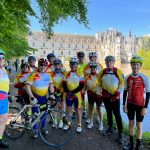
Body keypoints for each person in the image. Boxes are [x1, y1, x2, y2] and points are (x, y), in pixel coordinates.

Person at [123, 56, 150, 150]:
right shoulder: (127, 78)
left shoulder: (145, 78)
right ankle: (131, 144)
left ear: (140, 66)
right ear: (131, 65)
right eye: (133, 65)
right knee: (131, 124)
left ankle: (138, 145)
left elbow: (148, 93)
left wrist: (145, 107)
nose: (135, 67)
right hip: (130, 104)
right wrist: (124, 105)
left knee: (139, 125)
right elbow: (125, 91)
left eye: (137, 65)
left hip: (140, 105)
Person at [98, 55, 124, 144]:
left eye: (111, 62)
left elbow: (122, 84)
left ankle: (120, 133)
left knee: (117, 114)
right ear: (105, 63)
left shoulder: (118, 71)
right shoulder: (102, 72)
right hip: (105, 96)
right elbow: (99, 82)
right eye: (107, 62)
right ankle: (110, 128)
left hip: (115, 96)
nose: (109, 63)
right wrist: (100, 93)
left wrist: (117, 93)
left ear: (113, 62)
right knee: (109, 113)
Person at [26, 58, 54, 138]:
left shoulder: (48, 75)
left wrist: (52, 94)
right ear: (38, 65)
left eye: (45, 65)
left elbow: (51, 85)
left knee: (44, 113)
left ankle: (43, 127)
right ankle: (34, 130)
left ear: (47, 66)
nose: (43, 67)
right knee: (35, 114)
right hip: (35, 97)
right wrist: (31, 97)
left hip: (44, 97)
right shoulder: (33, 74)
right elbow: (27, 86)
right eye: (41, 65)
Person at [63, 57, 85, 133]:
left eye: (74, 64)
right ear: (69, 65)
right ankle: (68, 124)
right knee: (68, 110)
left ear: (77, 64)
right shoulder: (66, 73)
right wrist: (68, 92)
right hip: (69, 95)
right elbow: (64, 84)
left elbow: (81, 85)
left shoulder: (80, 74)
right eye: (71, 64)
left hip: (77, 96)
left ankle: (79, 125)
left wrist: (72, 92)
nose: (73, 65)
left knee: (78, 110)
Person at [84, 51, 103, 124]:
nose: (92, 58)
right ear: (89, 58)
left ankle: (98, 117)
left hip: (98, 89)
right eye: (91, 57)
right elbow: (85, 76)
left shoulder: (100, 66)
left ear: (96, 58)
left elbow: (102, 77)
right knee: (90, 105)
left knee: (99, 106)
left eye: (94, 57)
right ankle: (89, 118)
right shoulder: (86, 67)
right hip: (90, 87)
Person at [50, 58, 66, 128]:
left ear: (61, 65)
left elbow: (66, 83)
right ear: (53, 65)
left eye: (58, 63)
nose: (57, 65)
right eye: (55, 64)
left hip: (62, 92)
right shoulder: (51, 74)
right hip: (54, 92)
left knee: (62, 106)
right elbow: (49, 83)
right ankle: (55, 121)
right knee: (54, 107)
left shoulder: (64, 73)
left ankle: (61, 121)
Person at [0, 49, 10, 148]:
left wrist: (9, 94)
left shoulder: (4, 70)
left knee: (3, 120)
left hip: (4, 99)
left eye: (3, 58)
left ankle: (0, 139)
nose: (1, 59)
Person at [77, 51, 87, 119]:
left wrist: (85, 86)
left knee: (83, 98)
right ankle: (76, 110)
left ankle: (84, 111)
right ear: (78, 57)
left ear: (83, 57)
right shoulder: (75, 64)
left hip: (83, 83)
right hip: (76, 83)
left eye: (82, 57)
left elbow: (87, 76)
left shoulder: (86, 66)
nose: (81, 58)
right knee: (76, 97)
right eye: (79, 57)